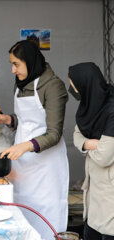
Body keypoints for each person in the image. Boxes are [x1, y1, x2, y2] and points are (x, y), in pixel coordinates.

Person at [0, 40, 69, 239]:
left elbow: (54, 133)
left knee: (45, 219)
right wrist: (8, 119)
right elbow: (27, 120)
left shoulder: (53, 86)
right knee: (21, 214)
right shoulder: (21, 84)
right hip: (23, 164)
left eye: (16, 64)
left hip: (47, 169)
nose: (12, 70)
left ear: (30, 61)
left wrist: (27, 146)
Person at [68, 62, 114, 239]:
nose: (73, 90)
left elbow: (104, 157)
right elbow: (77, 136)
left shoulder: (111, 109)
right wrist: (91, 144)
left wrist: (91, 145)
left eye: (74, 85)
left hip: (109, 194)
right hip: (94, 193)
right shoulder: (89, 106)